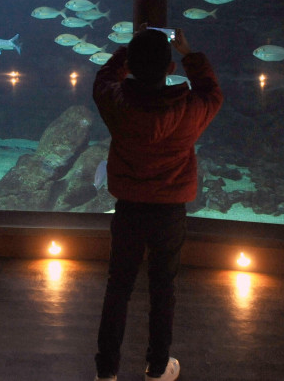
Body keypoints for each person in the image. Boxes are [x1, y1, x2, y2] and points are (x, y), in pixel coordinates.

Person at [91, 26, 223, 381]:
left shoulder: (117, 103)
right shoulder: (190, 109)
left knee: (118, 286)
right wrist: (188, 53)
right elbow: (213, 92)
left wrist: (125, 53)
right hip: (169, 211)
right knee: (163, 286)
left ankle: (106, 371)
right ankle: (157, 366)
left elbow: (103, 79)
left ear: (132, 66)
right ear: (171, 69)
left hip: (129, 208)